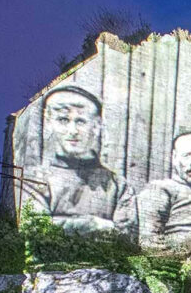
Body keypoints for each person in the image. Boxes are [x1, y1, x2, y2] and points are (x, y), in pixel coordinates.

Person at [23, 84, 128, 233]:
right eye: (63, 120)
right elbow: (35, 229)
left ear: (96, 126)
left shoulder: (117, 186)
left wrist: (60, 224)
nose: (72, 131)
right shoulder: (34, 180)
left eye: (80, 121)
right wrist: (93, 225)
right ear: (49, 123)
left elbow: (126, 237)